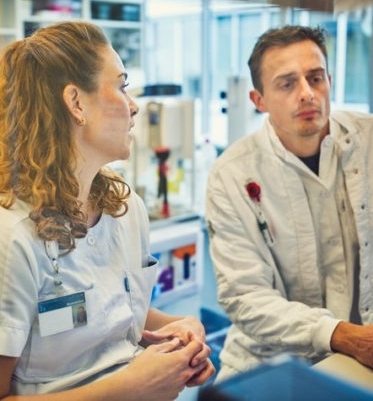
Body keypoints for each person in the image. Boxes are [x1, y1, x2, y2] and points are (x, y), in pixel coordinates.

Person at [205, 25, 373, 384]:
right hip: (274, 362)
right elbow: (246, 297)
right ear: (259, 100)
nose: (307, 93)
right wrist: (340, 334)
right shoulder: (231, 175)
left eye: (315, 78)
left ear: (329, 81)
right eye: (287, 84)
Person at [0, 21, 215, 399]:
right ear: (76, 103)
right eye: (122, 86)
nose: (133, 106)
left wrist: (179, 329)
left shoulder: (125, 208)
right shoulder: (13, 237)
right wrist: (131, 387)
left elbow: (108, 313)